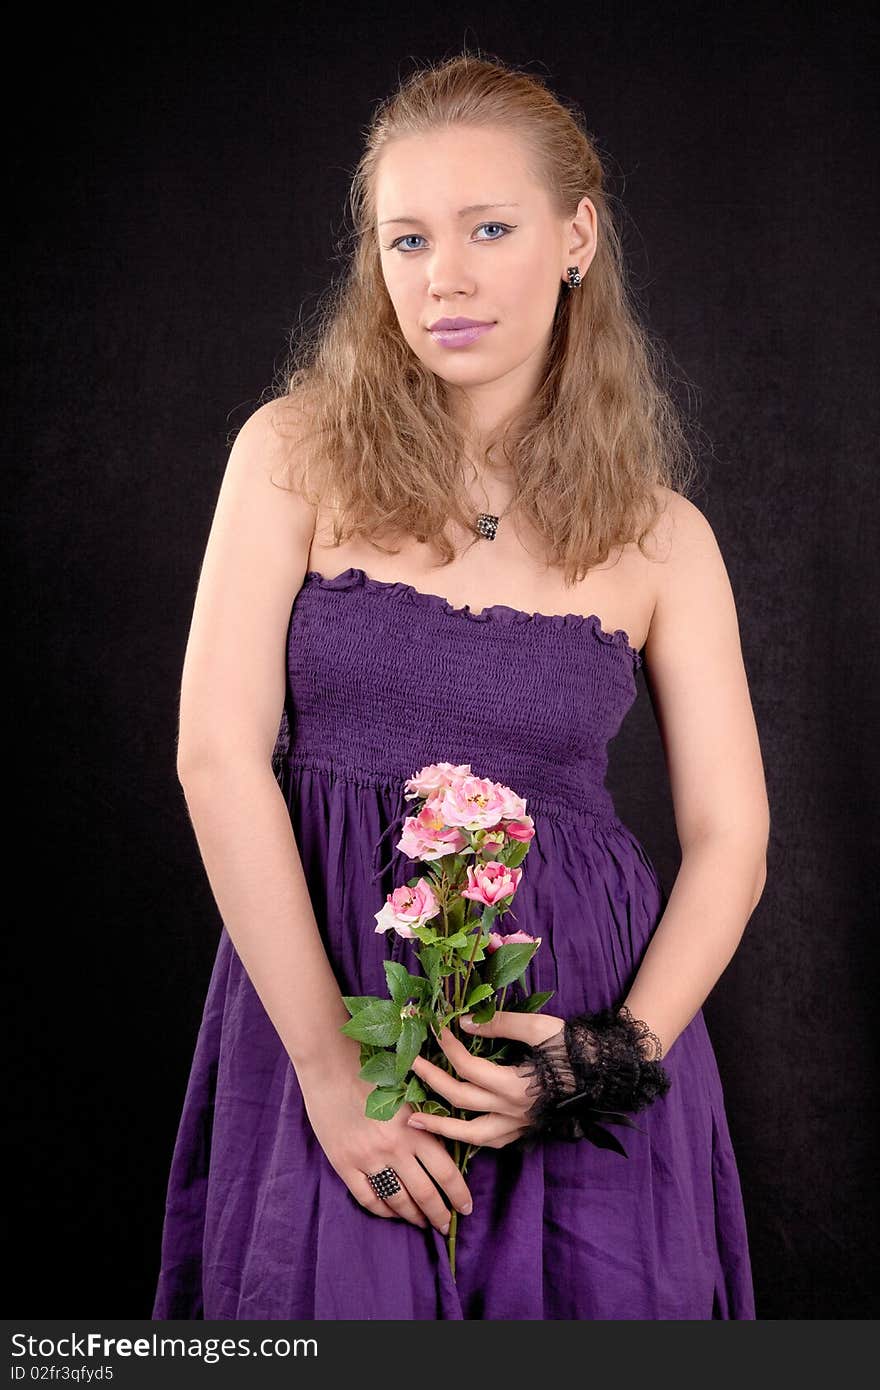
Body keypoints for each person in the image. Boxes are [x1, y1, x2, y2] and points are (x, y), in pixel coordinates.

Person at [151, 51, 769, 1320]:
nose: (447, 279)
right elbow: (214, 757)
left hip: (573, 1045)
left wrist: (611, 1056)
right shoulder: (290, 455)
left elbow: (731, 836)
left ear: (575, 236)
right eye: (407, 239)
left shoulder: (664, 536)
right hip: (334, 1029)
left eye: (490, 227)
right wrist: (330, 1073)